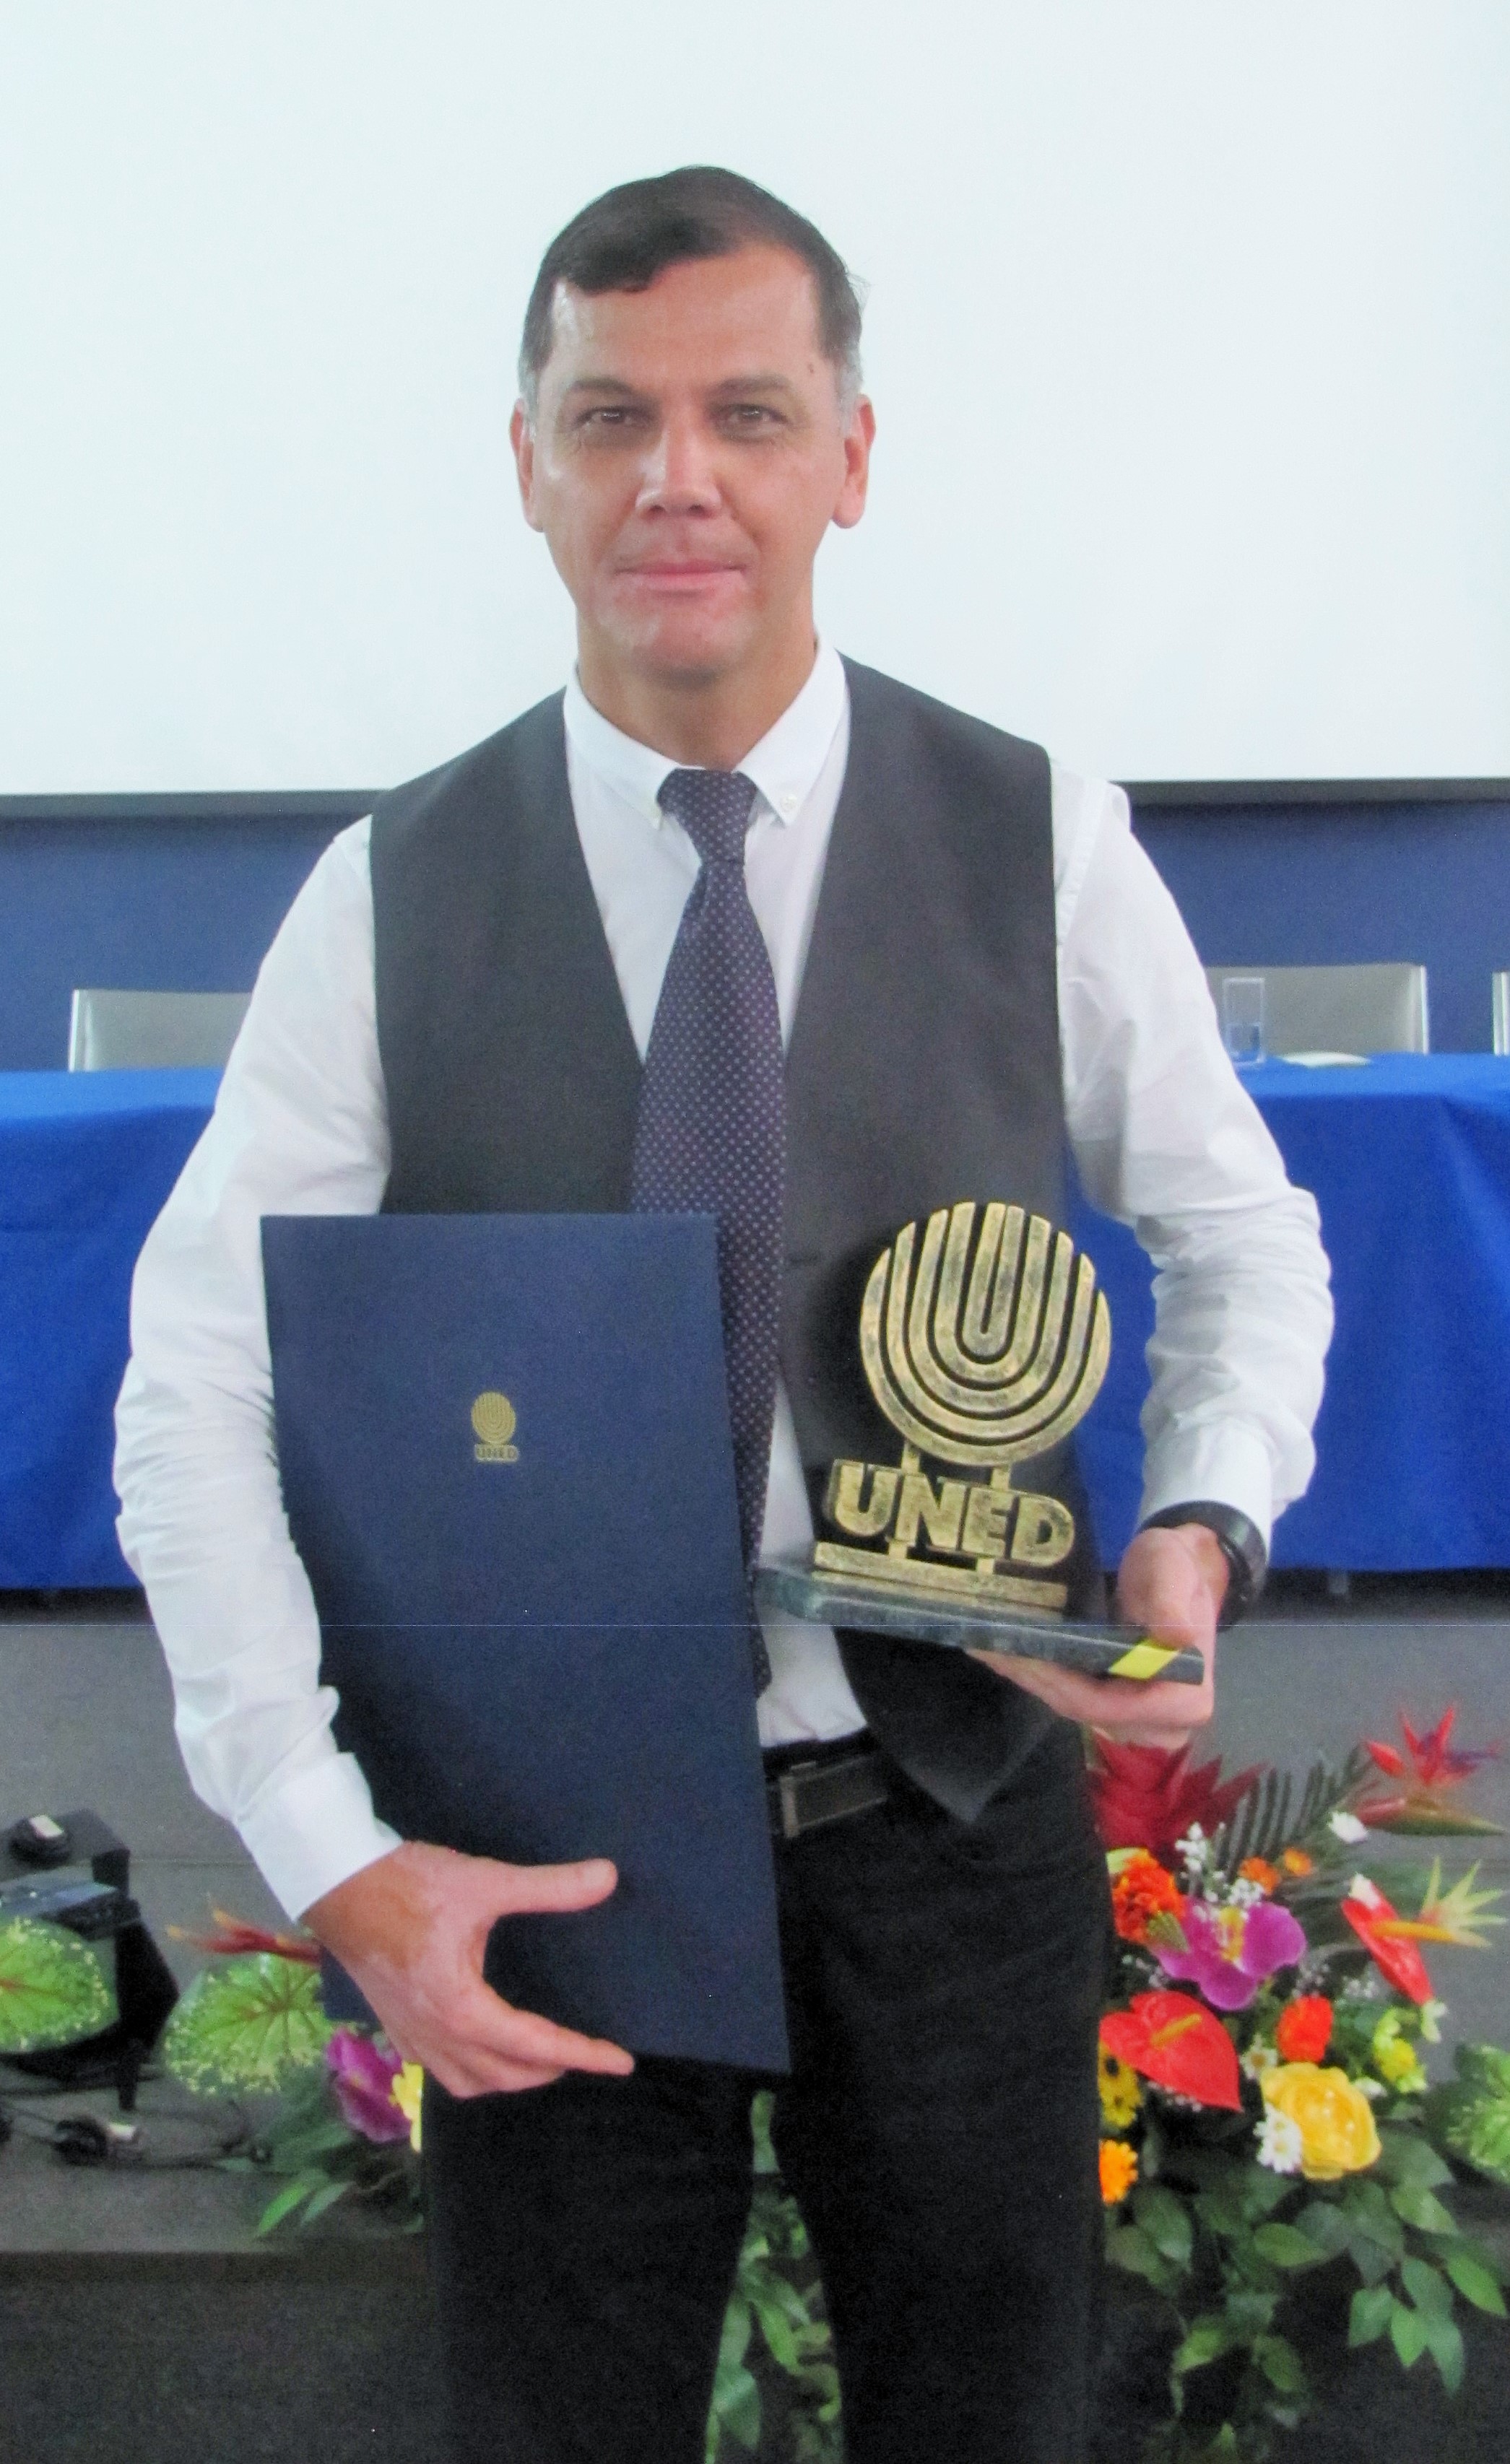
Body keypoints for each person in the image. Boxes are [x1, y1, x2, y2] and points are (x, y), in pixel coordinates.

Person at [115, 167, 1332, 2464]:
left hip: (950, 1820)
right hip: (545, 1850)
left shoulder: (1037, 834)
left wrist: (1203, 1511)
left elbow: (1239, 1231)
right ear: (527, 464)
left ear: (847, 458)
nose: (676, 477)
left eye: (747, 414)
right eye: (611, 418)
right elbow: (196, 1382)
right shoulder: (387, 888)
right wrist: (324, 1844)